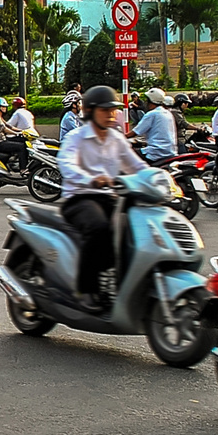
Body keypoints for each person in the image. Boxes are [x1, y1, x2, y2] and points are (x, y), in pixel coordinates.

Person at [53, 85, 146, 304]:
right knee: (99, 229)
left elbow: (136, 166)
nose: (111, 114)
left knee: (136, 230)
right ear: (91, 111)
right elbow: (65, 164)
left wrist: (161, 177)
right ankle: (85, 289)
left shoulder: (116, 139)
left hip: (110, 197)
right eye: (105, 110)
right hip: (80, 198)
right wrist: (91, 179)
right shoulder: (76, 137)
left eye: (113, 110)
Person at [132, 87, 179, 165]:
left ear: (151, 101)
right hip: (170, 151)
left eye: (147, 100)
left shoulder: (152, 114)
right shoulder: (168, 113)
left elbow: (135, 132)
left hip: (156, 152)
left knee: (129, 154)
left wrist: (120, 137)